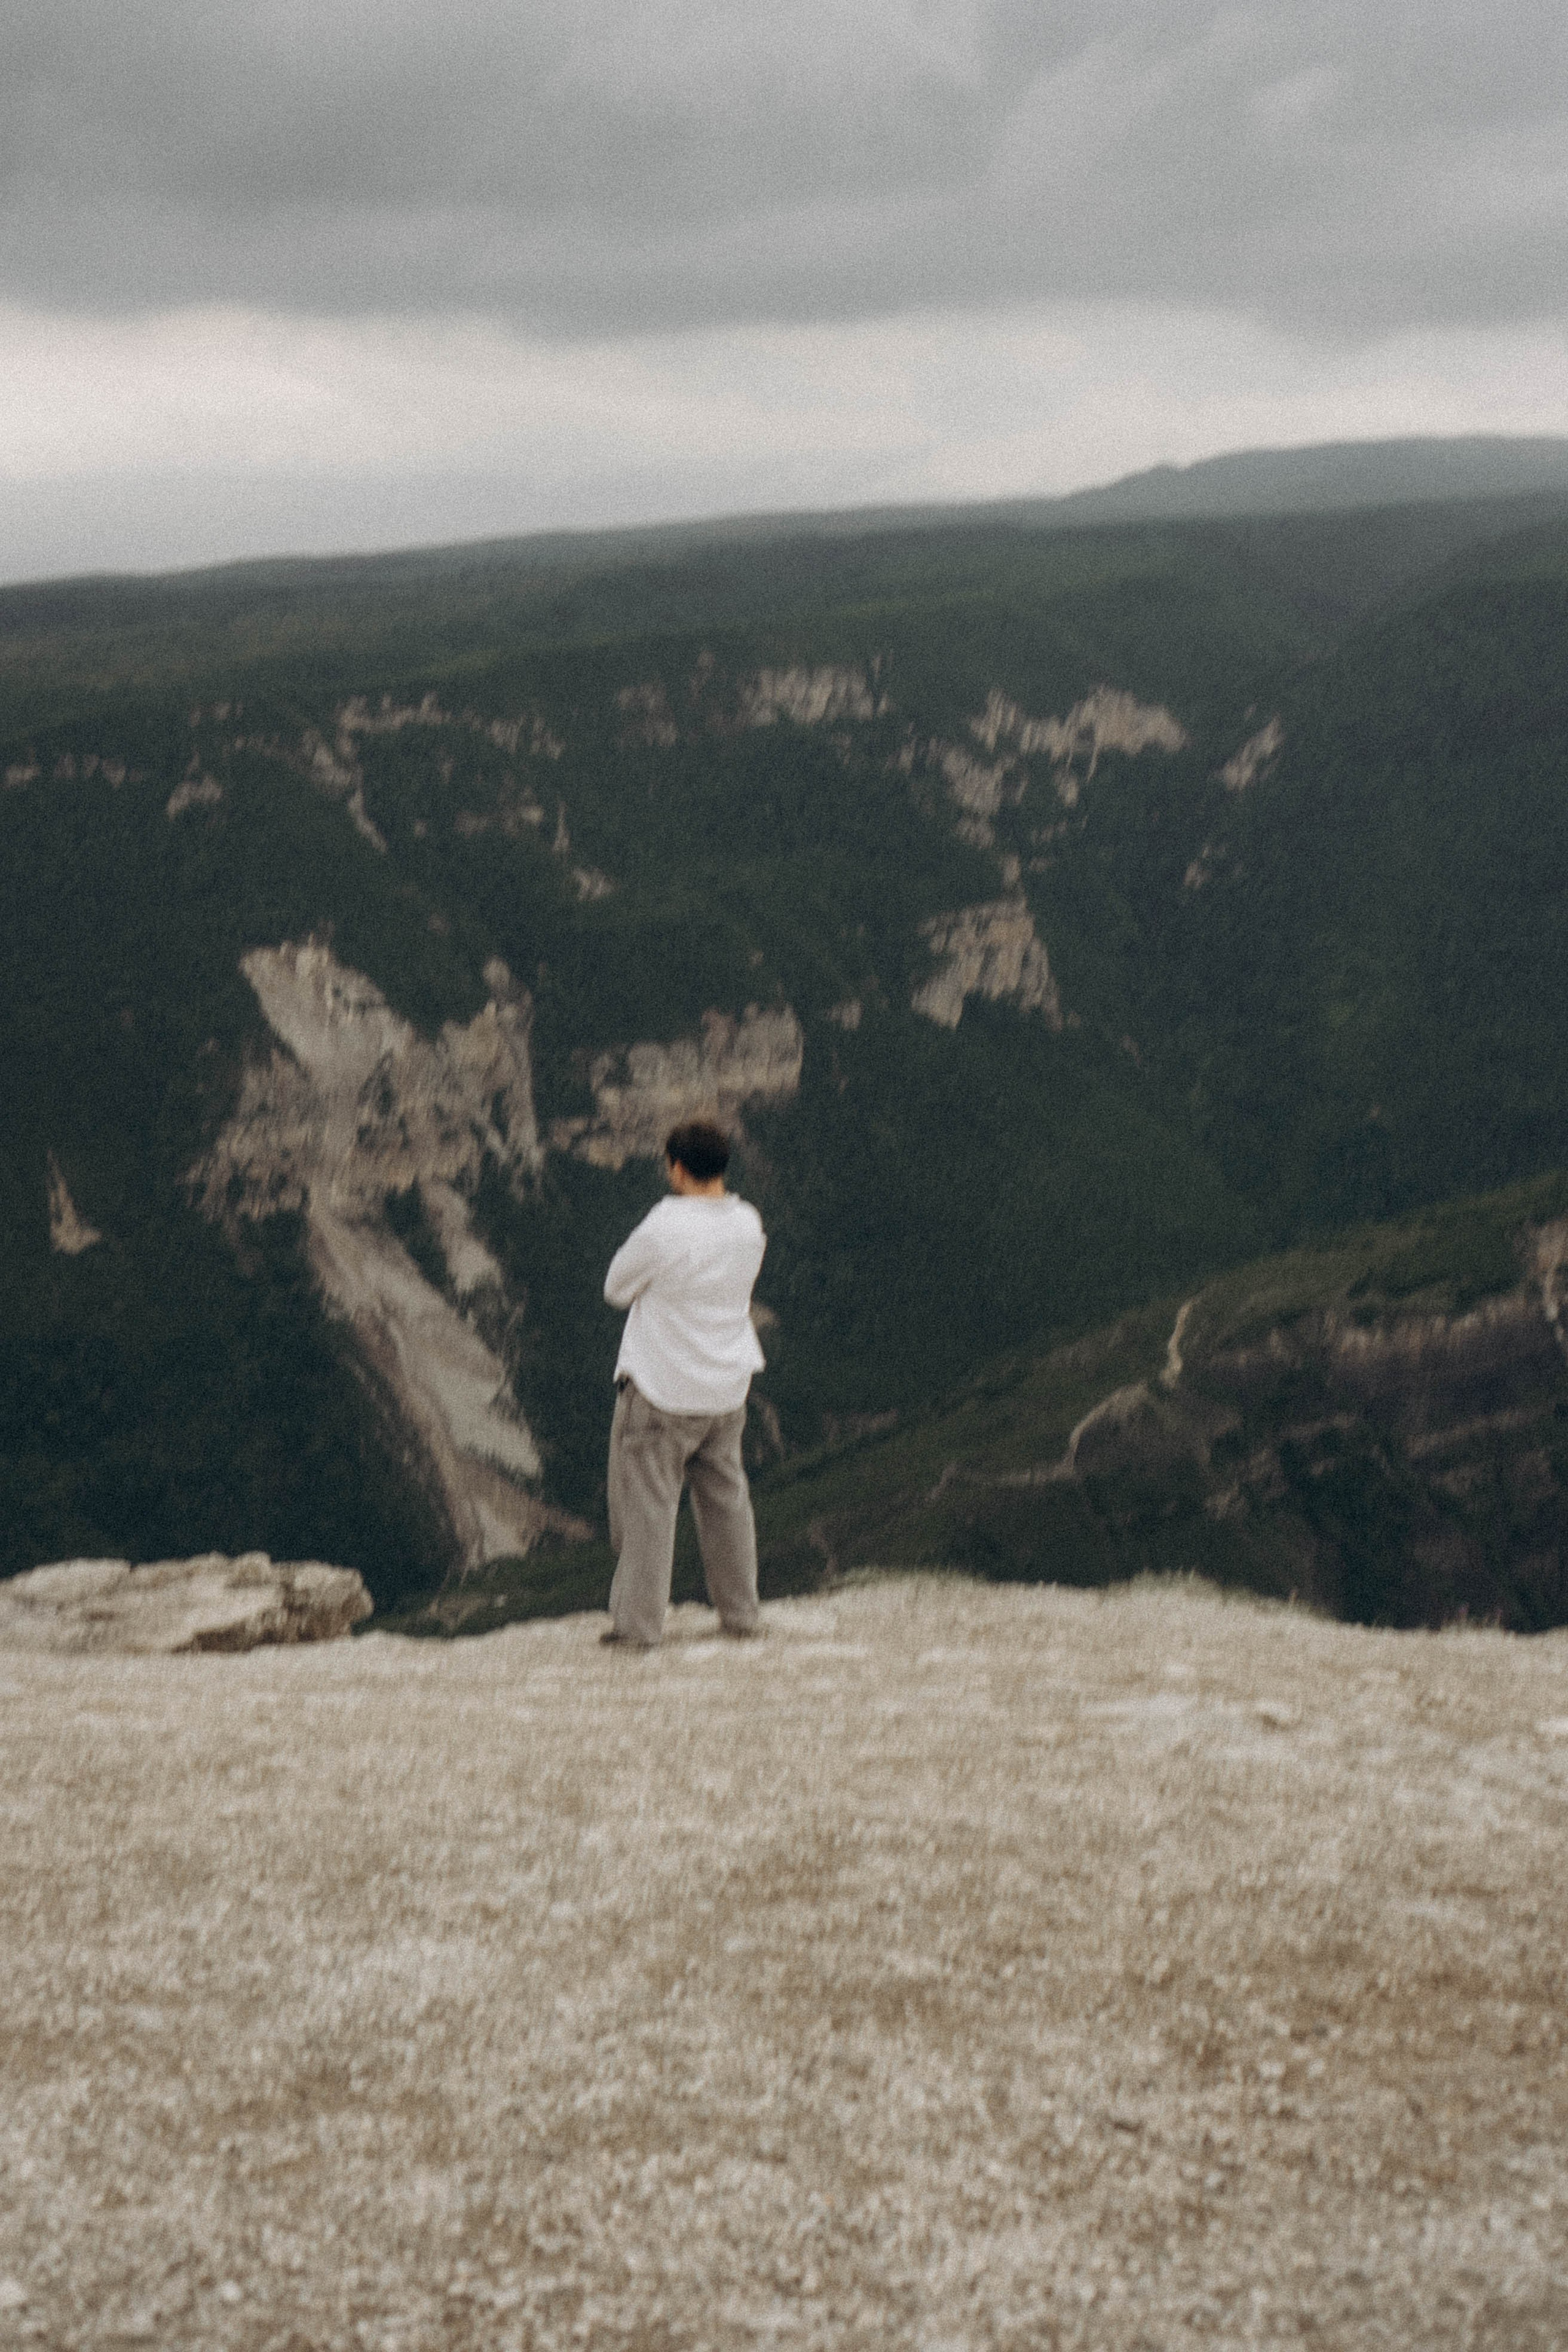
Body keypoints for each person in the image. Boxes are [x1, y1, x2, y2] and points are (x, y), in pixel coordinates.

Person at [601, 1119, 767, 1648]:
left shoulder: (664, 1225)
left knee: (649, 1508)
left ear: (675, 1166)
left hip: (664, 1389)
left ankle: (639, 1628)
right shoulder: (747, 1222)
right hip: (727, 1386)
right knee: (727, 1501)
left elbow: (616, 1288)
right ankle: (741, 1615)